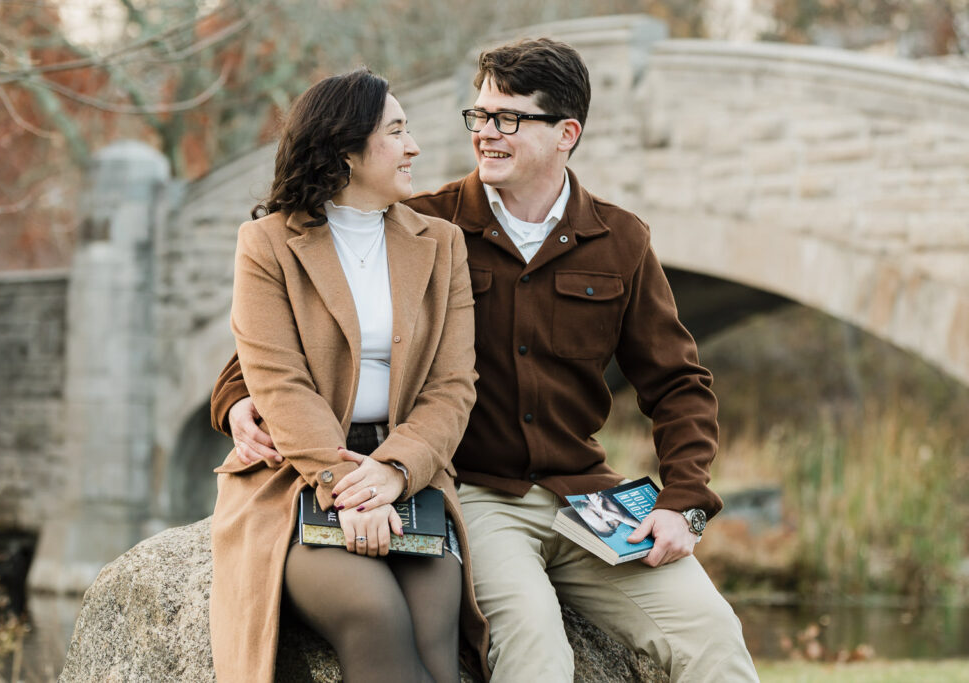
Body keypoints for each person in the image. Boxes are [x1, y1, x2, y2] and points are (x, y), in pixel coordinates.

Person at [212, 40, 759, 682]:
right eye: (479, 116)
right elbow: (295, 337)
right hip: (478, 493)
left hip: (587, 495)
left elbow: (678, 384)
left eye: (508, 119)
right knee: (535, 654)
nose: (486, 134)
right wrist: (234, 398)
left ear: (566, 133)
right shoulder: (421, 223)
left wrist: (685, 501)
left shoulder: (620, 239)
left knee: (715, 637)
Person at [208, 68, 490, 683]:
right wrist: (343, 485)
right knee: (373, 616)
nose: (414, 146)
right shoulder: (266, 244)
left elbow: (452, 385)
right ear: (345, 149)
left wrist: (391, 471)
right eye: (396, 131)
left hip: (409, 474)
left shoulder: (441, 244)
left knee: (437, 641)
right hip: (297, 473)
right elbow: (277, 380)